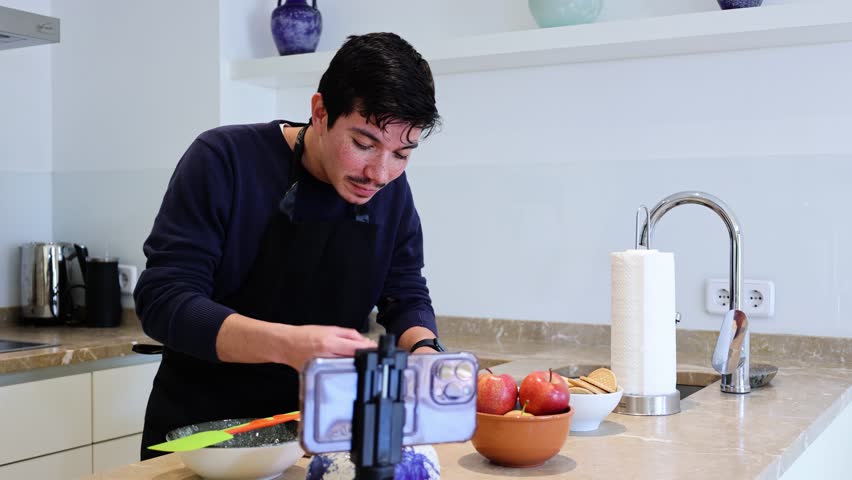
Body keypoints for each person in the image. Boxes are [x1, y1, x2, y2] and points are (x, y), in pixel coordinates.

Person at [134, 32, 445, 459]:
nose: (379, 172)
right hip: (202, 441)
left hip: (311, 441)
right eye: (363, 144)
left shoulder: (390, 189)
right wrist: (287, 345)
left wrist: (425, 351)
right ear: (320, 112)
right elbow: (164, 301)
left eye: (402, 153)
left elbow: (404, 290)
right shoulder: (224, 159)